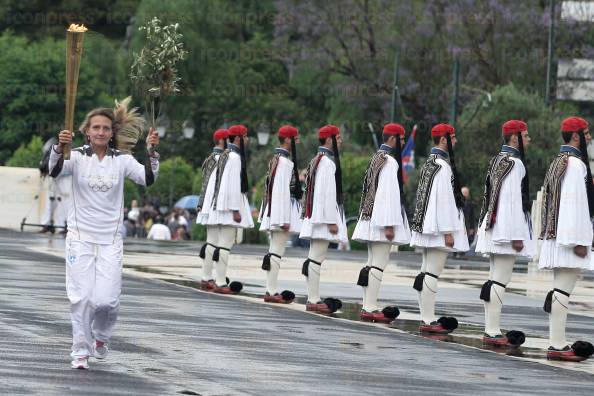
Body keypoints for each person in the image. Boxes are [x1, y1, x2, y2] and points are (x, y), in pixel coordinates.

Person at [48, 104, 160, 370]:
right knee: (82, 298)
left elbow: (147, 179)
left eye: (105, 128)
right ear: (86, 131)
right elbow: (52, 170)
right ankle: (79, 351)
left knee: (106, 301)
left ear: (112, 133)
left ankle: (101, 337)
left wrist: (152, 151)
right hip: (80, 237)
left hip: (110, 239)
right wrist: (57, 148)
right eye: (95, 127)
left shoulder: (121, 160)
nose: (100, 132)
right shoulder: (74, 157)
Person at [475, 120, 535, 348]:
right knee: (500, 281)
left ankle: (490, 328)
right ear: (514, 138)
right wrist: (517, 235)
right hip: (506, 230)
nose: (529, 140)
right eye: (526, 135)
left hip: (493, 227)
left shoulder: (498, 159)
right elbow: (511, 202)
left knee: (494, 280)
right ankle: (492, 330)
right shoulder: (515, 163)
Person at [539, 116, 594, 361]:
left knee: (559, 290)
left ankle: (556, 342)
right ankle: (558, 345)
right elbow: (575, 205)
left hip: (559, 235)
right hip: (569, 237)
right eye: (587, 133)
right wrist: (579, 240)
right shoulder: (575, 164)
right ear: (576, 136)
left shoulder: (560, 160)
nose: (589, 137)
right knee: (562, 291)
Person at [410, 123, 468, 334]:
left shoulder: (430, 163)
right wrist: (448, 232)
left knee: (426, 272)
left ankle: (426, 317)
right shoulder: (442, 166)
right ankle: (428, 319)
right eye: (453, 138)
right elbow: (444, 202)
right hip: (438, 229)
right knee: (432, 274)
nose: (456, 142)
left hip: (428, 226)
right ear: (444, 140)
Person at [353, 123, 411, 323]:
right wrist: (389, 225)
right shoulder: (390, 162)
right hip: (381, 221)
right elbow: (388, 196)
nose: (403, 143)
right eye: (402, 139)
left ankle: (366, 305)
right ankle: (369, 307)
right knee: (378, 265)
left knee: (371, 264)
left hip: (371, 218)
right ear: (393, 139)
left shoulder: (377, 158)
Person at [299, 124, 347, 314]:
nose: (341, 141)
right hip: (322, 218)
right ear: (330, 139)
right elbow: (326, 194)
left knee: (313, 258)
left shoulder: (316, 160)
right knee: (316, 258)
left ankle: (313, 296)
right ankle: (313, 298)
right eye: (339, 137)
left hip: (315, 216)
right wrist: (330, 221)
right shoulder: (327, 163)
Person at [206, 124, 254, 294]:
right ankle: (220, 281)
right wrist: (235, 210)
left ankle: (214, 278)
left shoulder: (226, 155)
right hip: (230, 207)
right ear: (239, 138)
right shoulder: (234, 157)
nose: (247, 140)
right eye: (245, 136)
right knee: (225, 245)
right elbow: (232, 186)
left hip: (222, 205)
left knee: (219, 244)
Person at [258, 125, 303, 304]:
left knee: (274, 251)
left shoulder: (277, 159)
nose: (298, 141)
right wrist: (283, 219)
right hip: (281, 212)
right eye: (296, 138)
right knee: (276, 252)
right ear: (287, 140)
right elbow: (281, 192)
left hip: (275, 211)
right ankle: (270, 290)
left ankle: (270, 289)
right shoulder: (284, 162)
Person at [196, 129, 228, 290]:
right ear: (222, 141)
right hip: (214, 204)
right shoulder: (221, 159)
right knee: (214, 242)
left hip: (208, 204)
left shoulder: (211, 158)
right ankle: (208, 276)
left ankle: (207, 276)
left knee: (211, 241)